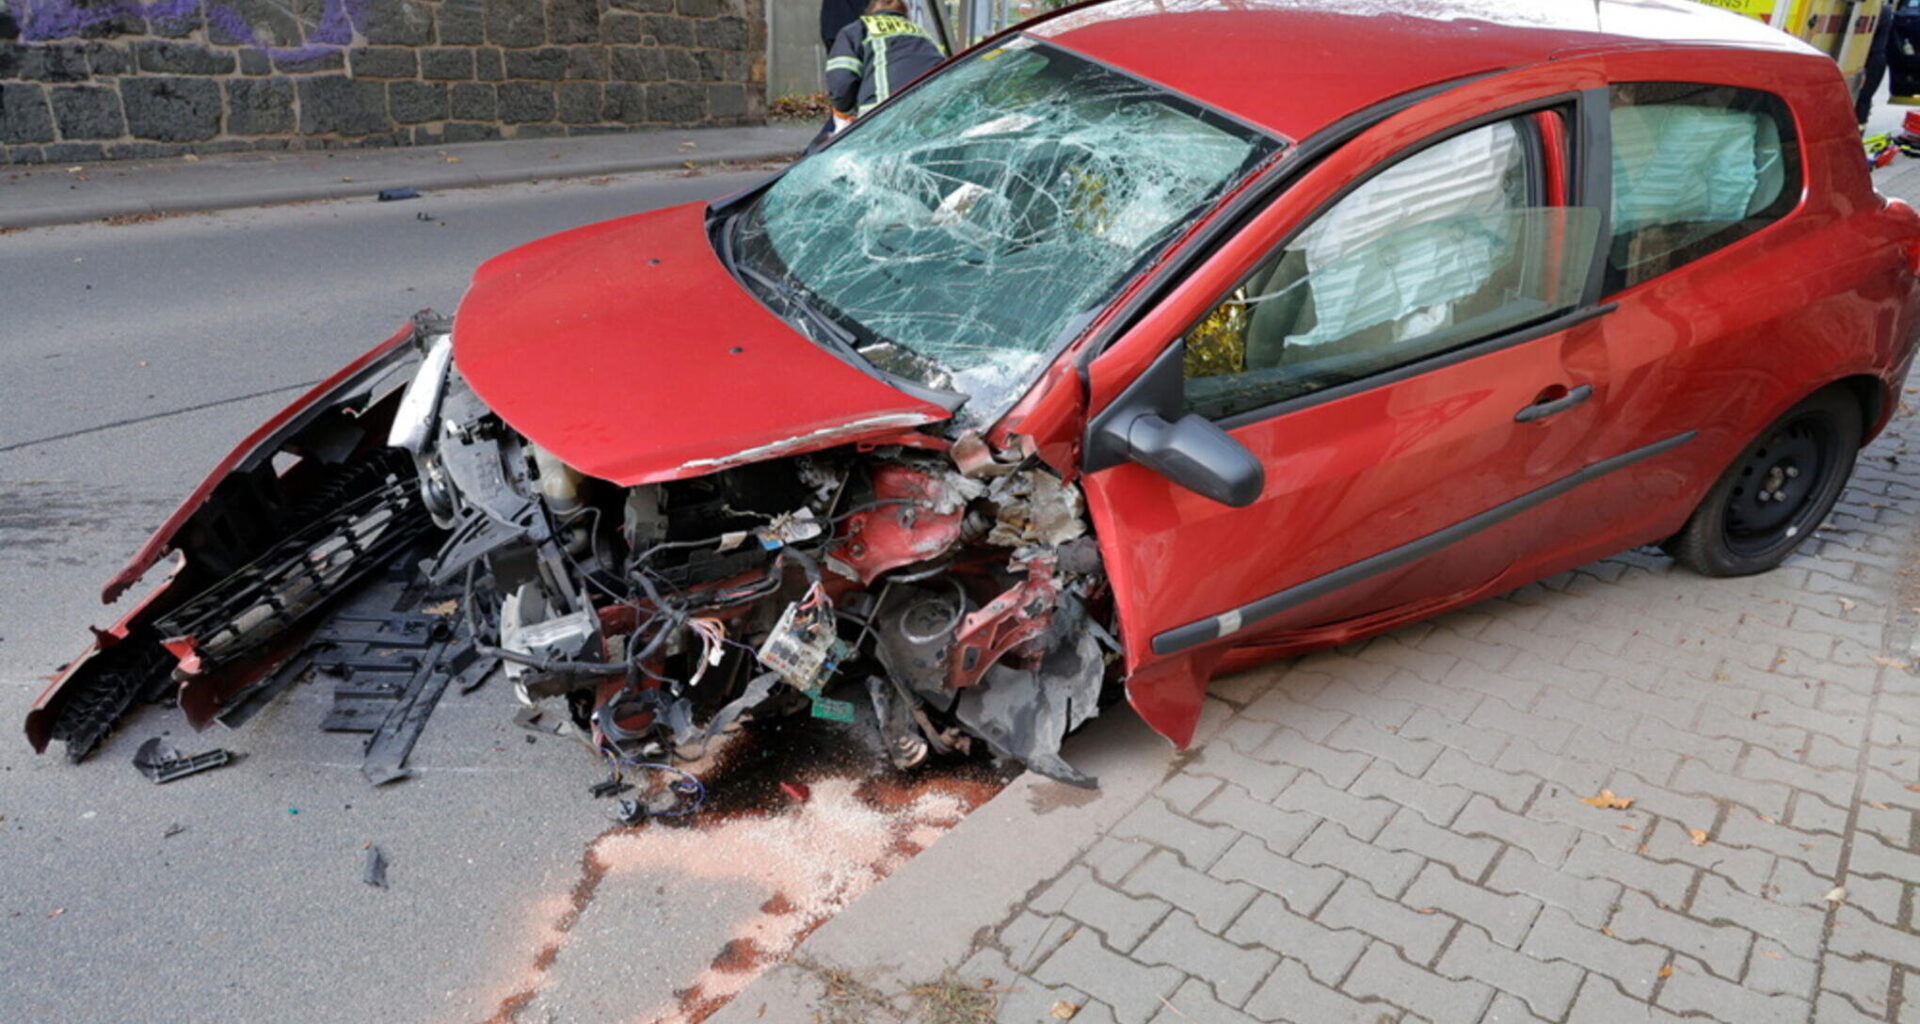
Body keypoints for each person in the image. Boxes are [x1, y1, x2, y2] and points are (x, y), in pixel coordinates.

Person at [824, 0, 946, 133]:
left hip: (879, 123)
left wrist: (844, 110)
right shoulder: (924, 35)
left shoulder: (857, 30)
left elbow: (842, 81)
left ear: (869, 9)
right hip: (927, 121)